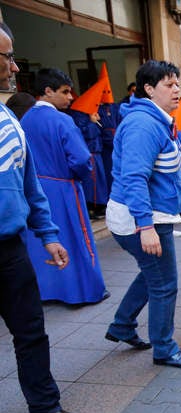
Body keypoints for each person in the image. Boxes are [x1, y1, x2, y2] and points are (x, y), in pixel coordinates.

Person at [0, 22, 91, 413]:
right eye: (7, 56)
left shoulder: (9, 121)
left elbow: (28, 183)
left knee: (32, 331)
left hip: (11, 248)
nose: (14, 66)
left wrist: (48, 234)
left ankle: (44, 407)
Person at [105, 60, 181, 368]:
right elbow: (134, 178)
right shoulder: (143, 124)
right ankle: (165, 349)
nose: (177, 91)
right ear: (148, 89)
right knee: (164, 283)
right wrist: (144, 226)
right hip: (140, 219)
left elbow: (169, 167)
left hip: (151, 216)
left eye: (177, 84)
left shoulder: (159, 120)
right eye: (169, 85)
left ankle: (122, 325)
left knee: (152, 274)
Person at [21, 67, 107, 305]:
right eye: (65, 92)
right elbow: (81, 159)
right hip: (63, 186)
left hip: (34, 188)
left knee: (43, 241)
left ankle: (47, 291)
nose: (71, 97)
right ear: (47, 91)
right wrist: (78, 177)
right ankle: (85, 290)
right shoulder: (62, 120)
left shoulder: (24, 120)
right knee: (76, 237)